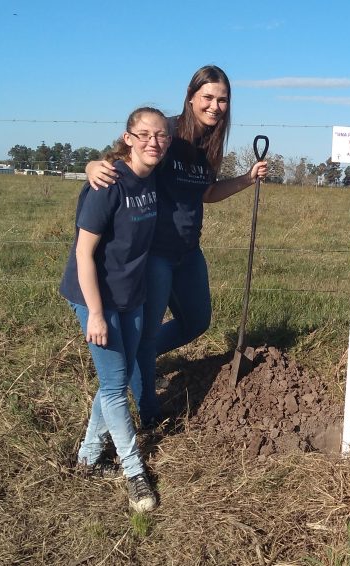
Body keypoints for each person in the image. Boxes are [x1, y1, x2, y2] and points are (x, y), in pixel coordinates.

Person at [85, 66, 267, 429]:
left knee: (196, 321)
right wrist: (93, 164)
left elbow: (207, 193)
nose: (215, 106)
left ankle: (141, 358)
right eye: (208, 97)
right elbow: (124, 158)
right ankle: (150, 409)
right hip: (154, 253)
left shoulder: (209, 145)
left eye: (222, 99)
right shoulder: (165, 132)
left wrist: (247, 179)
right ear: (191, 96)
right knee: (146, 334)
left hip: (188, 251)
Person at [60, 107, 169, 512]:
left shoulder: (151, 175)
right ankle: (134, 472)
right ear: (127, 137)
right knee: (113, 384)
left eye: (160, 136)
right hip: (95, 297)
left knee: (116, 379)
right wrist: (95, 313)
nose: (153, 142)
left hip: (131, 295)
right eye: (144, 134)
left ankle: (88, 458)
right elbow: (84, 253)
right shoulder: (108, 183)